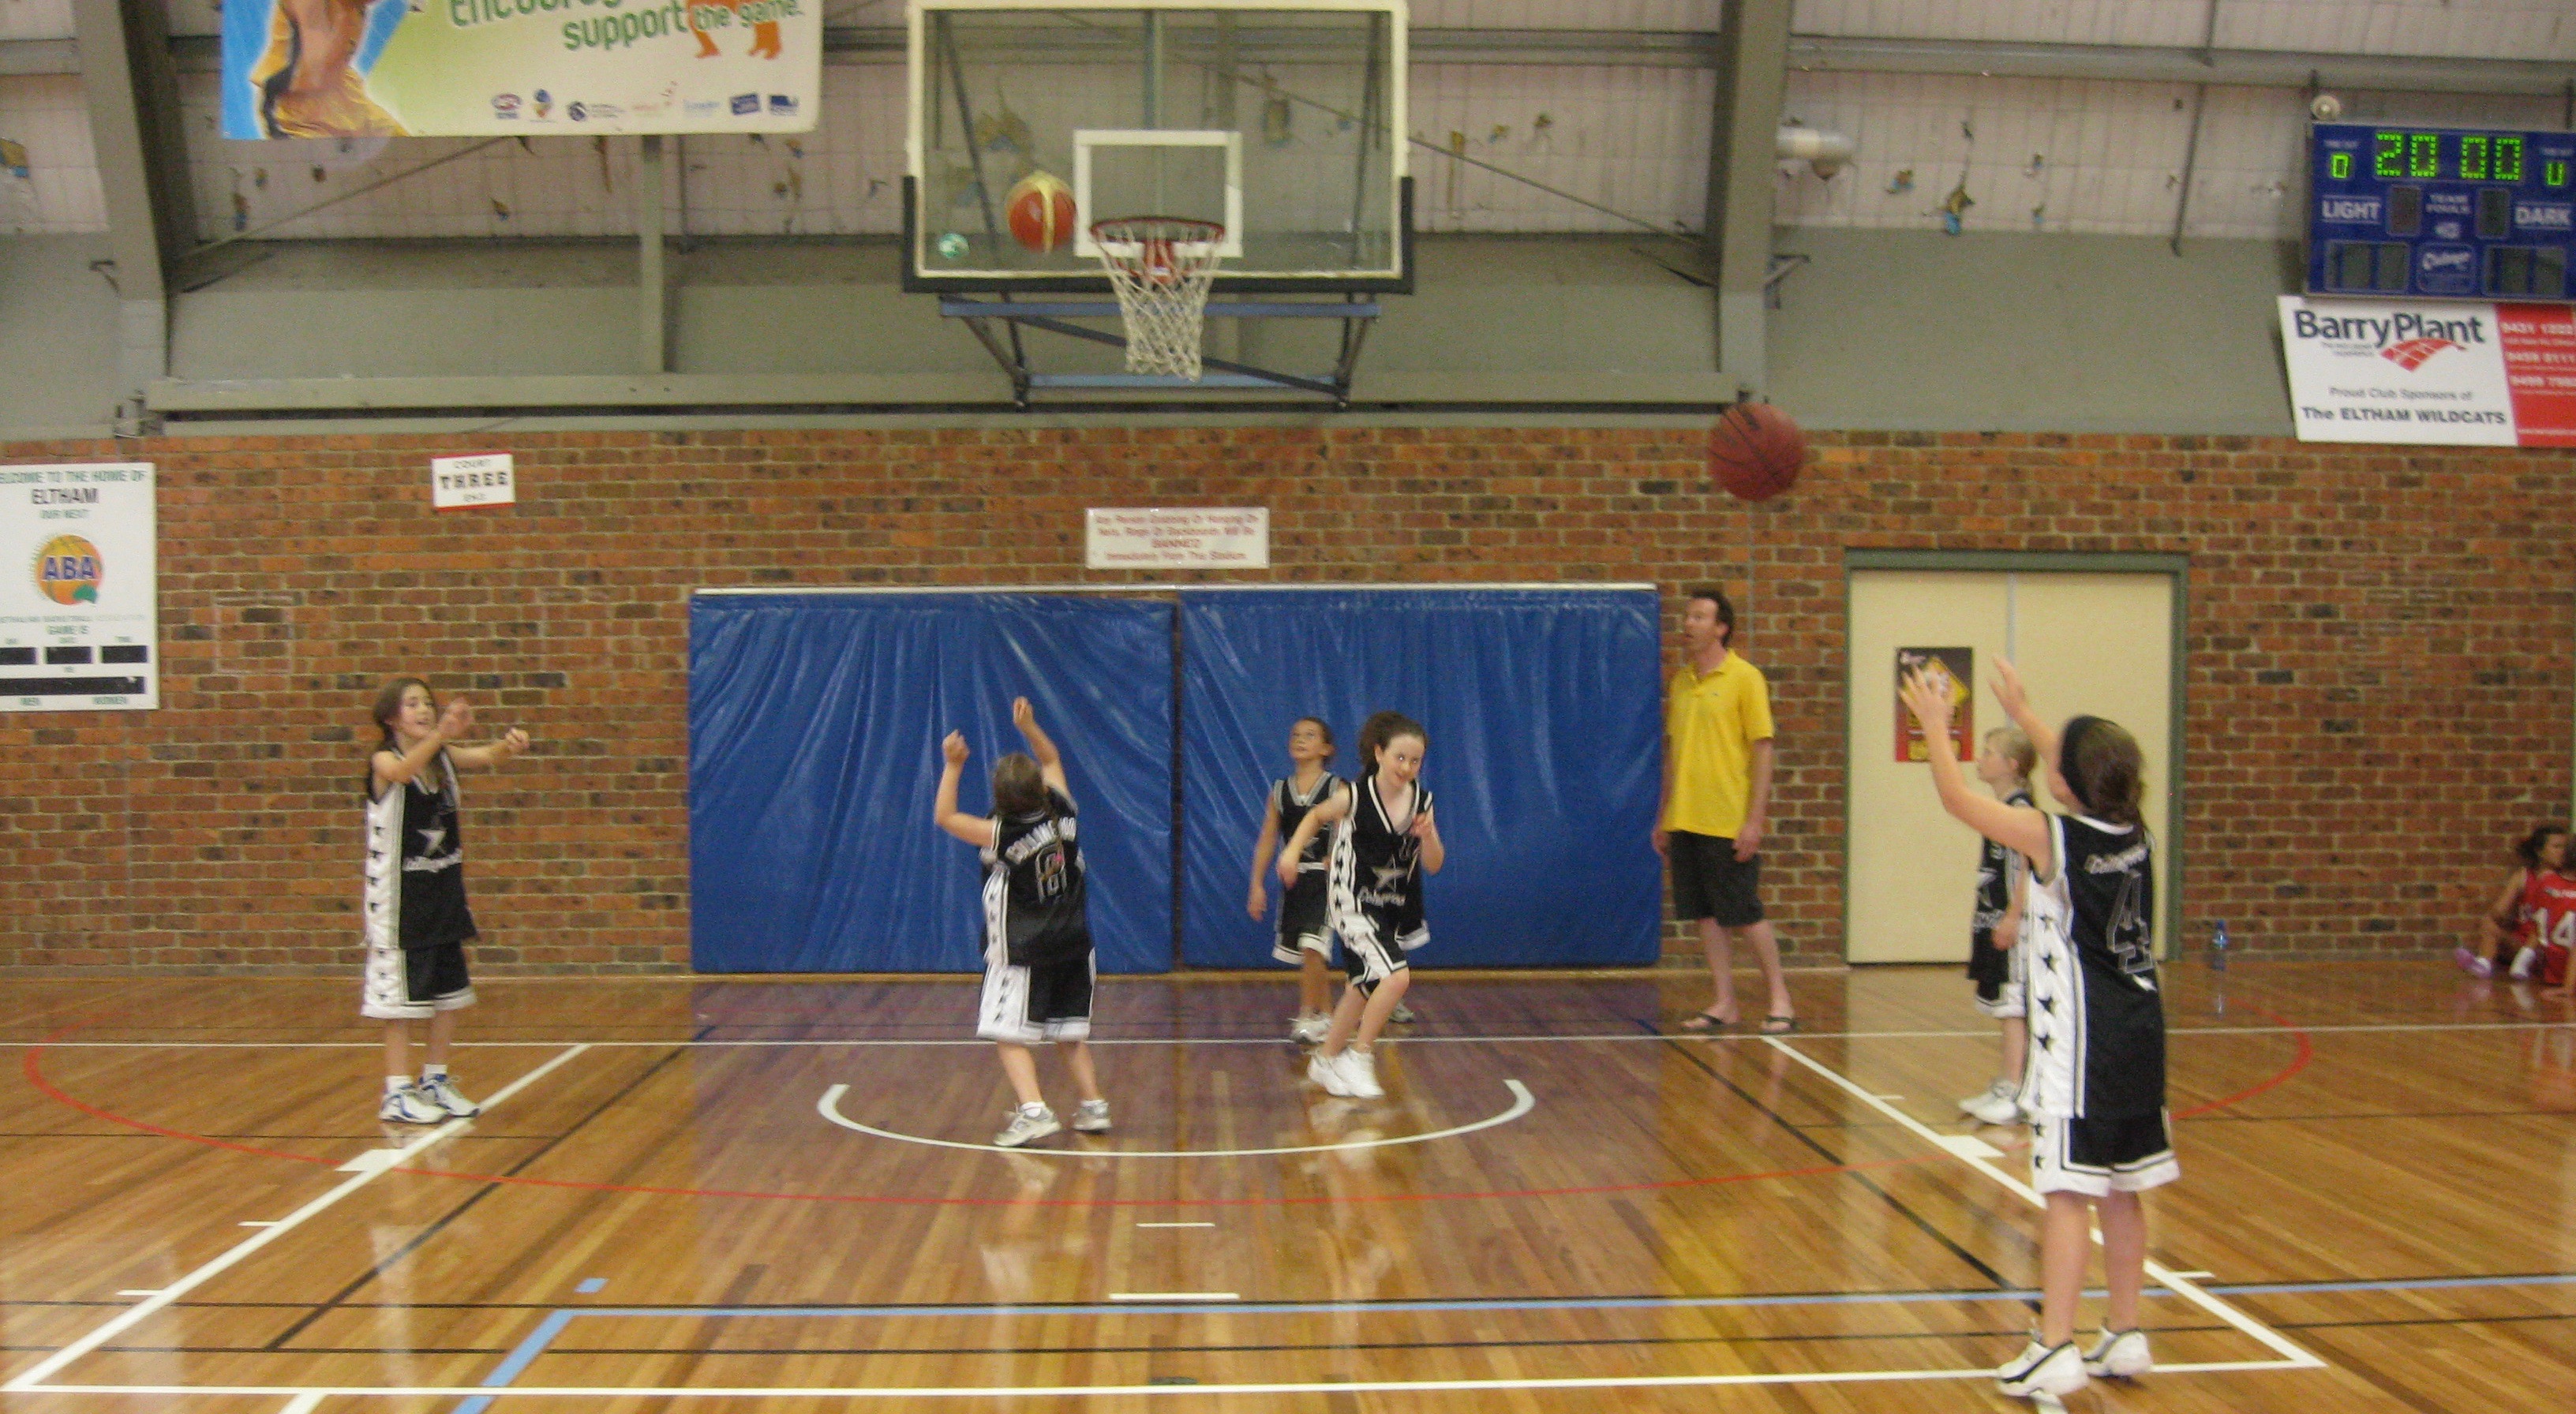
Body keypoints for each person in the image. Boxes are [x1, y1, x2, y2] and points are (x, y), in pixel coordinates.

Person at [1898, 659, 2168, 1401]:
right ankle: (2125, 1331)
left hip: (2083, 1043)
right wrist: (2024, 712)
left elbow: (1957, 799)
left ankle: (2053, 1345)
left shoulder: (2055, 839)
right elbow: (2080, 764)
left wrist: (1934, 726)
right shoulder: (2133, 827)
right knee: (2124, 1188)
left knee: (2067, 1193)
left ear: (2066, 782)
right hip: (2141, 1034)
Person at [935, 697, 1110, 1148]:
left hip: (1026, 948)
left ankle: (1034, 1112)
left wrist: (953, 766)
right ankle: (1093, 1105)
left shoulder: (1003, 832)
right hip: (1075, 943)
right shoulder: (1064, 809)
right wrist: (1031, 727)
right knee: (1068, 1032)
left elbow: (945, 817)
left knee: (1005, 1033)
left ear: (1000, 799)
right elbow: (1051, 759)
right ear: (1039, 788)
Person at [362, 678, 527, 1124]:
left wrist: (509, 745)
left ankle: (435, 1079)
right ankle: (397, 1091)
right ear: (391, 717)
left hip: (443, 896)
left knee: (448, 997)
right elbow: (401, 773)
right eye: (411, 704)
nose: (423, 710)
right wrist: (441, 735)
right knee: (400, 1003)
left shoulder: (442, 757)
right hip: (399, 902)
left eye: (427, 703)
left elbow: (487, 756)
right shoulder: (384, 759)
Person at [1279, 711, 1443, 1100]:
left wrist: (1429, 836)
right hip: (1351, 900)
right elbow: (1315, 816)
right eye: (1399, 757)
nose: (1407, 767)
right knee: (1396, 977)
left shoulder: (1422, 802)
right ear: (1379, 753)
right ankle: (1360, 1055)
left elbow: (1434, 864)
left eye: (1415, 760)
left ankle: (1325, 1059)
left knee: (1364, 985)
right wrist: (1292, 852)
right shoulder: (1354, 796)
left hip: (1390, 905)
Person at [1654, 587, 1794, 1033]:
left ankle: (1781, 1000)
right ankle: (1724, 1002)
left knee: (1744, 912)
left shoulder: (1745, 678)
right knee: (1706, 915)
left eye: (1699, 617)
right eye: (1687, 616)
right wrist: (1663, 816)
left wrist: (1754, 821)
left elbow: (1763, 750)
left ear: (1721, 628)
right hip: (1685, 817)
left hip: (1727, 819)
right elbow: (1673, 754)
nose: (1688, 624)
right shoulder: (1681, 683)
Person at [1249, 717, 1346, 1044]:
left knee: (1312, 946)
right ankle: (1329, 1016)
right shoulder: (1280, 791)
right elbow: (1267, 840)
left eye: (1310, 735)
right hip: (1295, 880)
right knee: (1309, 951)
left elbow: (1350, 830)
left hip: (1328, 880)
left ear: (1326, 748)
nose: (1300, 739)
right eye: (1295, 735)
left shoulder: (1337, 788)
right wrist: (1256, 884)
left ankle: (1306, 1015)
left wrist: (1337, 855)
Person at [1958, 726, 2037, 1127]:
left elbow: (2028, 870)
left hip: (2014, 924)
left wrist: (2013, 916)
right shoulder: (2000, 808)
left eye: (1989, 753)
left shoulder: (2021, 811)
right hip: (1993, 917)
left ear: (2012, 765)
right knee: (2001, 1003)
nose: (1980, 759)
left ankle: (2017, 1089)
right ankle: (2007, 1082)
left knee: (2013, 1007)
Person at [2472, 825, 2573, 982]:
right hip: (2523, 942)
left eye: (2565, 847)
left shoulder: (2566, 880)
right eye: (2557, 847)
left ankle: (2522, 964)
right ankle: (2484, 964)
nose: (2562, 852)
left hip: (2551, 946)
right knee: (2489, 924)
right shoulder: (2525, 875)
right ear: (2539, 851)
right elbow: (2499, 911)